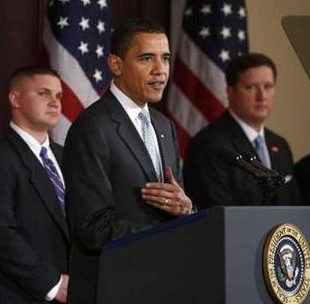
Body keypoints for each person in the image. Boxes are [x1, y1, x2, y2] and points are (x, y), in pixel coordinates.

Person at [62, 18, 193, 303]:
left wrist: (186, 208)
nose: (160, 70)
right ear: (116, 64)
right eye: (147, 58)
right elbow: (92, 227)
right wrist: (165, 234)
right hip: (111, 287)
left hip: (158, 285)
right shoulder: (93, 127)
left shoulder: (163, 125)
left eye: (166, 58)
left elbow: (173, 198)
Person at [0, 66, 69, 303]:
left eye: (59, 96)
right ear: (15, 99)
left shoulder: (68, 158)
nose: (55, 102)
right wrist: (52, 283)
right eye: (44, 93)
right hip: (18, 295)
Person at [183, 53, 300, 209]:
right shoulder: (209, 145)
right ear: (230, 92)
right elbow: (217, 213)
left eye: (268, 87)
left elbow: (295, 207)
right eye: (251, 87)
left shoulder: (280, 145)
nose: (262, 96)